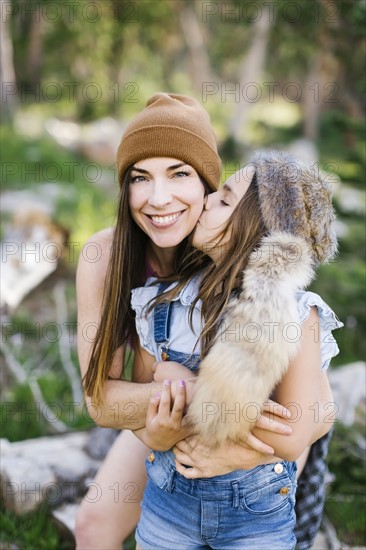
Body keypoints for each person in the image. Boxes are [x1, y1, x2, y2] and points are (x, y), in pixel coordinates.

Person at [75, 94, 292, 549]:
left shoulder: (233, 249)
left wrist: (235, 445)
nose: (158, 199)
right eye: (140, 177)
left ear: (208, 186)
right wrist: (190, 406)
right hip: (166, 414)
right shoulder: (105, 256)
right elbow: (101, 400)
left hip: (265, 440)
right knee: (94, 527)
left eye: (179, 174)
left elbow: (312, 407)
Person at [128, 152, 342, 549]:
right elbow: (144, 397)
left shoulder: (296, 316)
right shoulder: (164, 302)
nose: (207, 200)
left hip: (255, 516)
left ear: (258, 233)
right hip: (168, 501)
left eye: (224, 200)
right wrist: (155, 435)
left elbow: (294, 436)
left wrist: (189, 388)